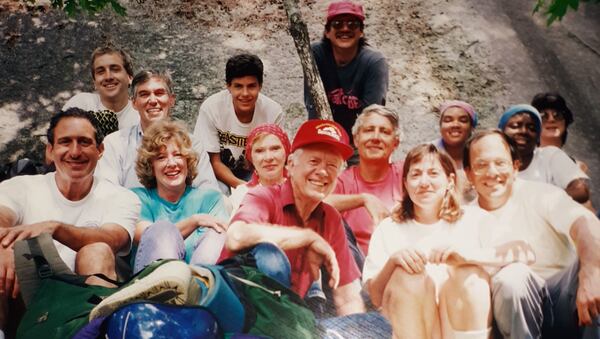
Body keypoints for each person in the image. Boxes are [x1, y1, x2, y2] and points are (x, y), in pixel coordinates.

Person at [363, 144, 534, 339]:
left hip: (463, 326)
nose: (424, 182)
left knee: (467, 272)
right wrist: (393, 261)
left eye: (433, 173)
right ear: (405, 183)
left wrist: (468, 256)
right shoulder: (389, 228)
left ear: (450, 181)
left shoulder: (475, 219)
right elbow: (375, 298)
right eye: (416, 174)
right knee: (406, 275)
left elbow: (525, 252)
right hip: (413, 329)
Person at [0, 108, 140, 333]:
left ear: (100, 150)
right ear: (50, 150)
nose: (75, 152)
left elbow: (113, 238)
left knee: (96, 250)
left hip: (84, 306)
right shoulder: (20, 187)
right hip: (26, 304)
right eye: (65, 142)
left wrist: (55, 228)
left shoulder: (121, 197)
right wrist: (2, 246)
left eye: (84, 142)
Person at [463, 129, 600, 338]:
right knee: (513, 277)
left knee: (593, 257)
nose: (492, 173)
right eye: (481, 165)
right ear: (469, 173)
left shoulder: (541, 194)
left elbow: (586, 224)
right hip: (511, 317)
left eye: (500, 163)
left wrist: (591, 275)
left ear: (515, 166)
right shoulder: (466, 219)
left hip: (565, 300)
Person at [225, 120, 365, 316]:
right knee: (269, 255)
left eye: (332, 165)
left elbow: (348, 298)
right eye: (314, 161)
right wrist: (307, 237)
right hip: (239, 316)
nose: (323, 172)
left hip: (289, 317)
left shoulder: (330, 217)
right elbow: (236, 236)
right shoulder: (263, 197)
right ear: (291, 164)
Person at [130, 120, 229, 274]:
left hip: (199, 279)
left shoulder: (210, 199)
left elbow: (217, 245)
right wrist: (195, 221)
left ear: (187, 160)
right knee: (161, 229)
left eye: (177, 155)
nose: (171, 163)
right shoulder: (137, 198)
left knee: (218, 233)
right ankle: (171, 291)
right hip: (154, 282)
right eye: (161, 158)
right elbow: (148, 237)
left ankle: (201, 286)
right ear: (151, 166)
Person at [96, 70, 217, 190]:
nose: (153, 101)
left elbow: (209, 192)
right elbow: (107, 192)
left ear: (171, 100)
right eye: (144, 94)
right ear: (134, 102)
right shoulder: (115, 144)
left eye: (159, 93)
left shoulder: (192, 144)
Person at [305, 0, 389, 154]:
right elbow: (312, 104)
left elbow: (372, 114)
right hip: (324, 137)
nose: (345, 29)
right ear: (327, 32)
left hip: (359, 143)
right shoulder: (316, 55)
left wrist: (349, 150)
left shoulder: (374, 63)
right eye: (337, 24)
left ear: (361, 31)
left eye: (352, 24)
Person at [193, 54, 283, 193]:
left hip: (255, 172)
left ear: (260, 86)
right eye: (238, 86)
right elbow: (213, 161)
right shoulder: (211, 108)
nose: (245, 93)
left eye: (251, 86)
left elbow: (274, 159)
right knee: (218, 193)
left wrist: (254, 186)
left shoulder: (273, 112)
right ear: (228, 86)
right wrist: (242, 186)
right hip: (218, 173)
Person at [325, 104, 402, 255]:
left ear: (396, 143)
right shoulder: (344, 181)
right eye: (368, 130)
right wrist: (363, 199)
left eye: (384, 132)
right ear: (356, 139)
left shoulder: (406, 173)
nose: (375, 137)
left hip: (403, 262)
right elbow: (316, 205)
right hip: (357, 266)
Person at [498, 104, 591, 204]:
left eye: (532, 128)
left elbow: (581, 191)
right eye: (515, 126)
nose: (524, 131)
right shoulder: (491, 162)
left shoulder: (549, 155)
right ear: (501, 133)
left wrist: (541, 201)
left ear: (537, 138)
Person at [63, 45, 139, 130]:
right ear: (94, 82)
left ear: (130, 78)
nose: (108, 77)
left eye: (115, 69)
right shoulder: (81, 105)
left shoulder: (140, 113)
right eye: (101, 71)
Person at [228, 123, 291, 212]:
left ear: (286, 151)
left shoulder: (302, 190)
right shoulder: (242, 193)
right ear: (251, 157)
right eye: (259, 151)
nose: (268, 157)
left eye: (275, 148)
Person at [531, 92, 589, 173]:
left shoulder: (578, 167)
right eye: (543, 116)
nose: (551, 119)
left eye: (557, 115)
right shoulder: (520, 163)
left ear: (565, 121)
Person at [432, 100, 478, 202]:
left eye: (463, 120)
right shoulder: (428, 152)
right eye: (448, 120)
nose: (455, 125)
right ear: (440, 126)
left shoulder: (481, 154)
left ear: (472, 127)